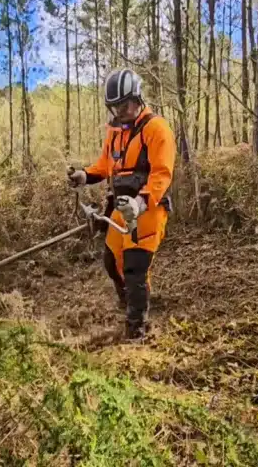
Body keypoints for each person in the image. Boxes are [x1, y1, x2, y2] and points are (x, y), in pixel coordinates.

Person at [68, 68, 176, 341]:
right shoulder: (116, 132)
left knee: (134, 268)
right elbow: (106, 165)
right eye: (114, 107)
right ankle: (128, 301)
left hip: (147, 210)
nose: (120, 111)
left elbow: (162, 174)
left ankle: (136, 330)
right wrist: (86, 175)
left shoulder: (156, 129)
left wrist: (141, 203)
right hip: (119, 209)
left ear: (137, 98)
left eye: (124, 105)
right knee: (111, 260)